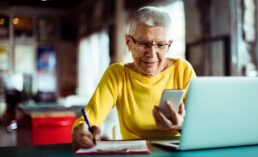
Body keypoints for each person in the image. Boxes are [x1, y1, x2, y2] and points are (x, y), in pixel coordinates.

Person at [72, 6, 196, 148]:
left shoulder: (182, 70)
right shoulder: (117, 75)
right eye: (143, 44)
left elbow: (201, 124)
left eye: (161, 45)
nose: (151, 54)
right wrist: (81, 130)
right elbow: (89, 119)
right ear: (128, 42)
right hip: (134, 153)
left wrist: (181, 125)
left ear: (169, 44)